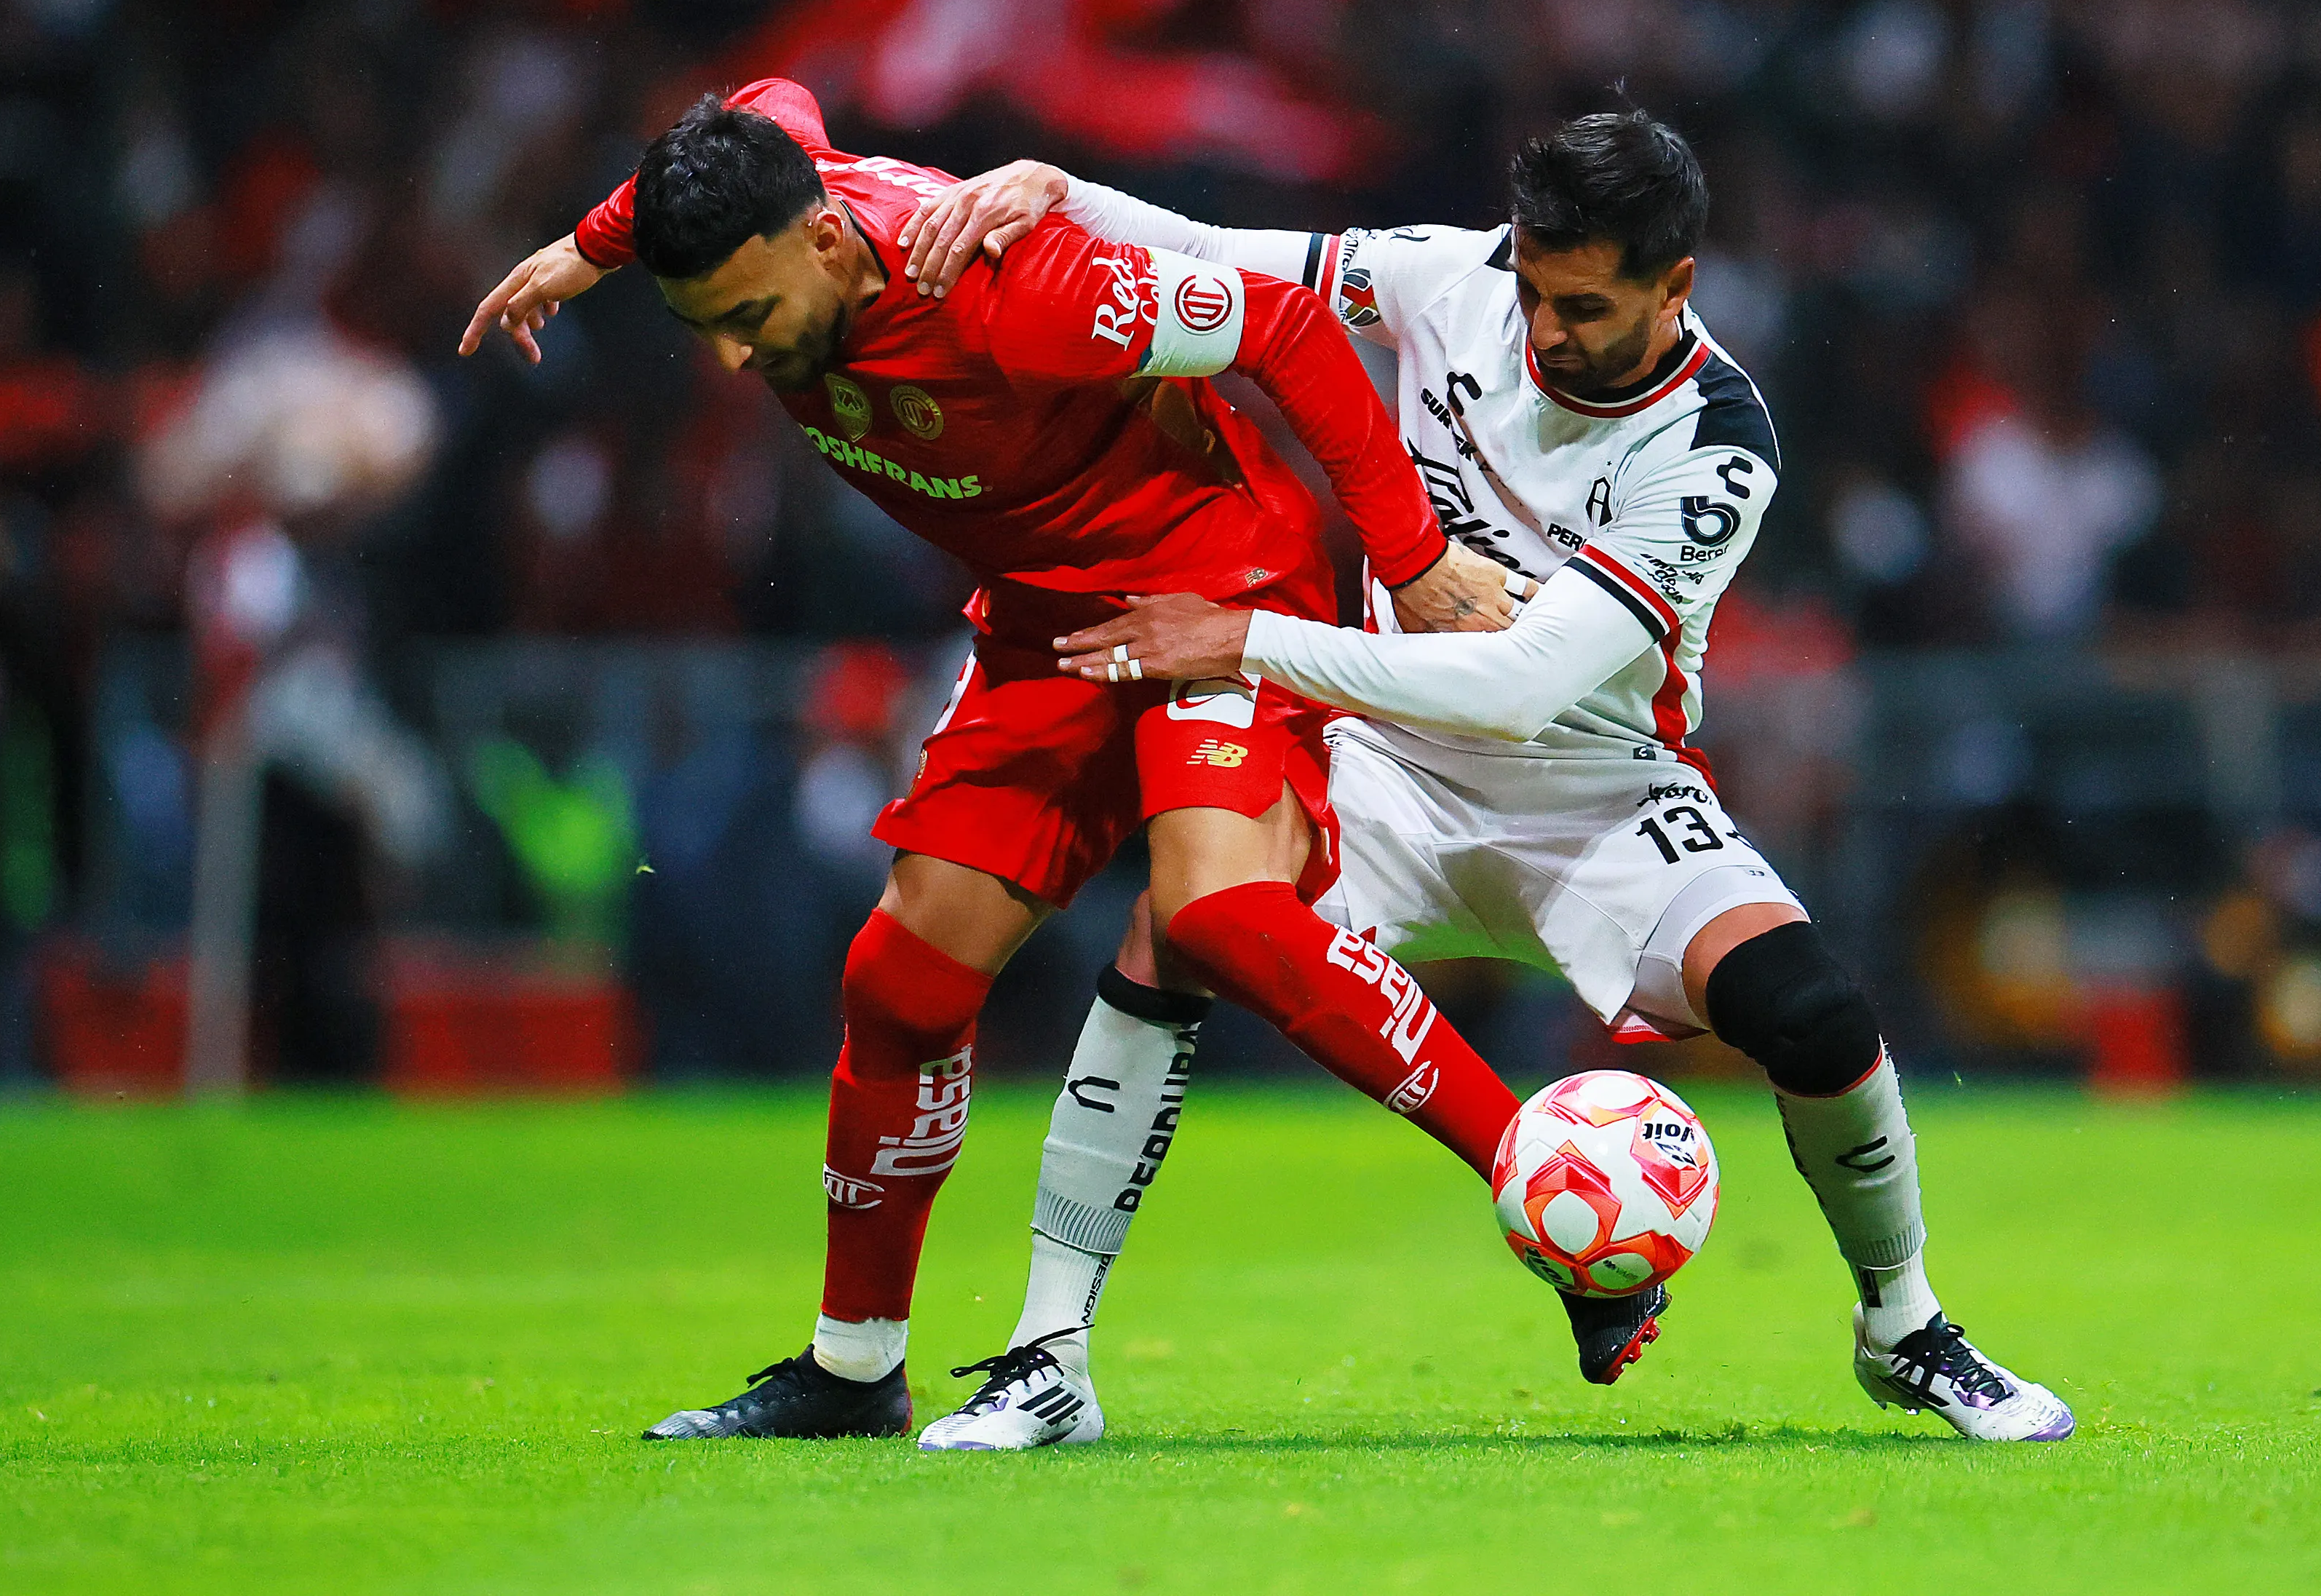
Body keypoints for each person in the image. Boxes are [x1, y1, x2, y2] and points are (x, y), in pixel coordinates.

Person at [459, 79, 1659, 1440]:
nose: (736, 359)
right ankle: (854, 1368)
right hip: (1047, 623)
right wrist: (592, 246)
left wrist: (1417, 559)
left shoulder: (1011, 289)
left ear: (830, 240)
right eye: (706, 327)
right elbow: (766, 105)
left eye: (748, 316)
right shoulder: (778, 186)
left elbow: (1284, 326)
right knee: (901, 980)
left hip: (1215, 579)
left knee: (1218, 913)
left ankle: (1549, 1194)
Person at [897, 109, 2076, 1450]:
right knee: (1175, 933)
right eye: (1533, 290)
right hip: (1382, 762)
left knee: (1815, 1014)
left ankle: (1903, 1327)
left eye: (1585, 307)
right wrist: (1063, 190)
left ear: (1675, 287)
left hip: (1598, 793)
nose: (1545, 330)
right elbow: (1221, 252)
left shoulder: (1715, 444)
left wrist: (1245, 638)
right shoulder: (1451, 278)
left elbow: (1521, 685)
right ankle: (1049, 1357)